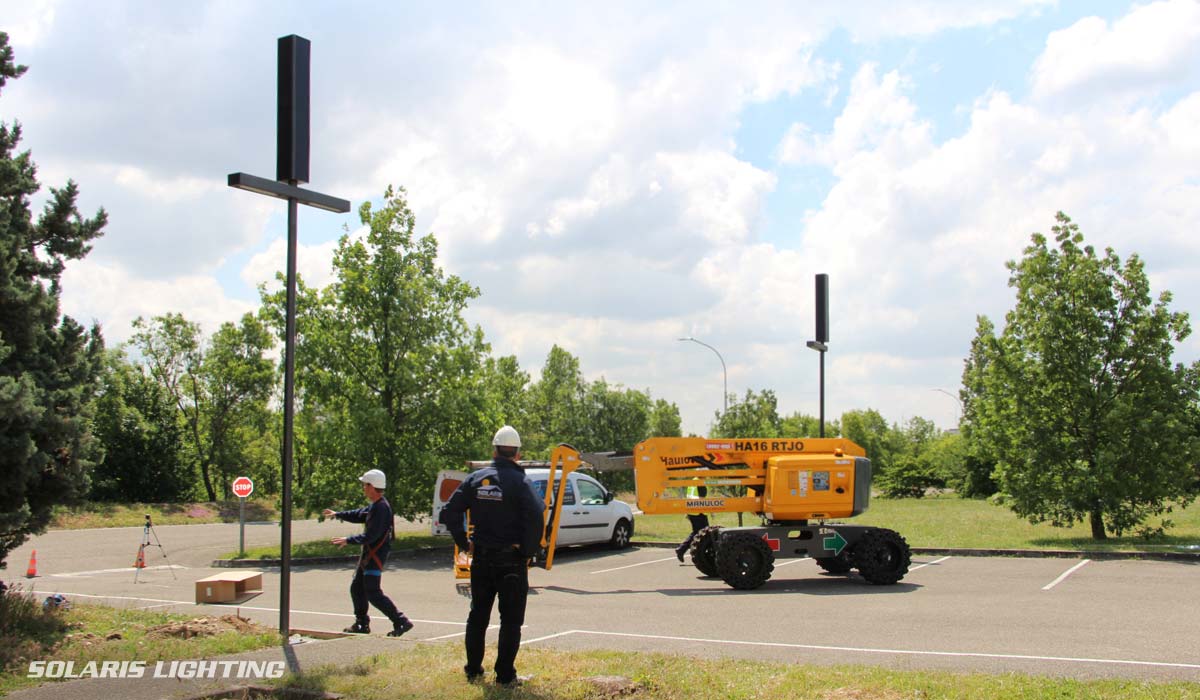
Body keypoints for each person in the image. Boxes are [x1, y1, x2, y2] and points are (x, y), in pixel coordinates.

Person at [439, 425, 546, 686]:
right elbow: (536, 515)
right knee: (510, 621)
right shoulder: (521, 482)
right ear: (517, 454)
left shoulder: (476, 479)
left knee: (478, 615)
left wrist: (464, 543)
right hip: (511, 561)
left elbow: (450, 512)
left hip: (482, 560)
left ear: (494, 450)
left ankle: (473, 670)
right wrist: (529, 550)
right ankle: (505, 676)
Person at [323, 468, 414, 637]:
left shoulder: (382, 508)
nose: (363, 488)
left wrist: (348, 540)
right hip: (369, 556)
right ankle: (361, 624)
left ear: (372, 486)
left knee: (372, 592)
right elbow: (359, 514)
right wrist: (338, 514)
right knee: (357, 588)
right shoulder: (376, 505)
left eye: (365, 485)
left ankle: (401, 621)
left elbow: (372, 536)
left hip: (375, 557)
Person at [675, 484, 709, 562]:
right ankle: (682, 549)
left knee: (699, 533)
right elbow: (702, 499)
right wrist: (711, 510)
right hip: (699, 511)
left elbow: (689, 497)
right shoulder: (701, 482)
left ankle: (683, 550)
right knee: (704, 533)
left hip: (693, 511)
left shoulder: (692, 482)